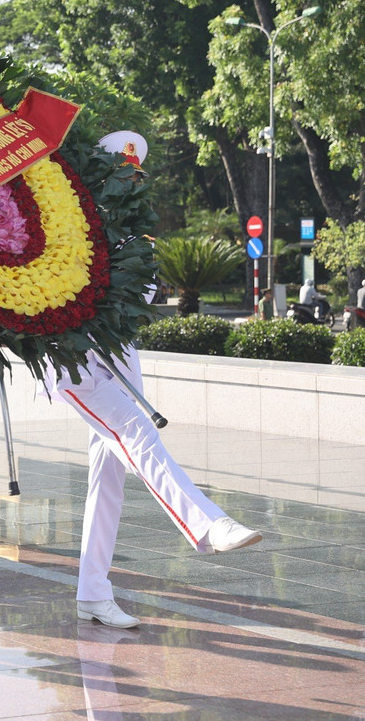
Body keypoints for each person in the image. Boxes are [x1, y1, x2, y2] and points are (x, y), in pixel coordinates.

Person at [53, 132, 262, 630]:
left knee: (108, 483)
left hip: (120, 360)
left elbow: (140, 293)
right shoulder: (67, 219)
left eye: (133, 177)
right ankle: (209, 523)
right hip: (77, 362)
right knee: (138, 434)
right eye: (119, 176)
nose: (127, 184)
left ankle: (92, 593)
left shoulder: (134, 235)